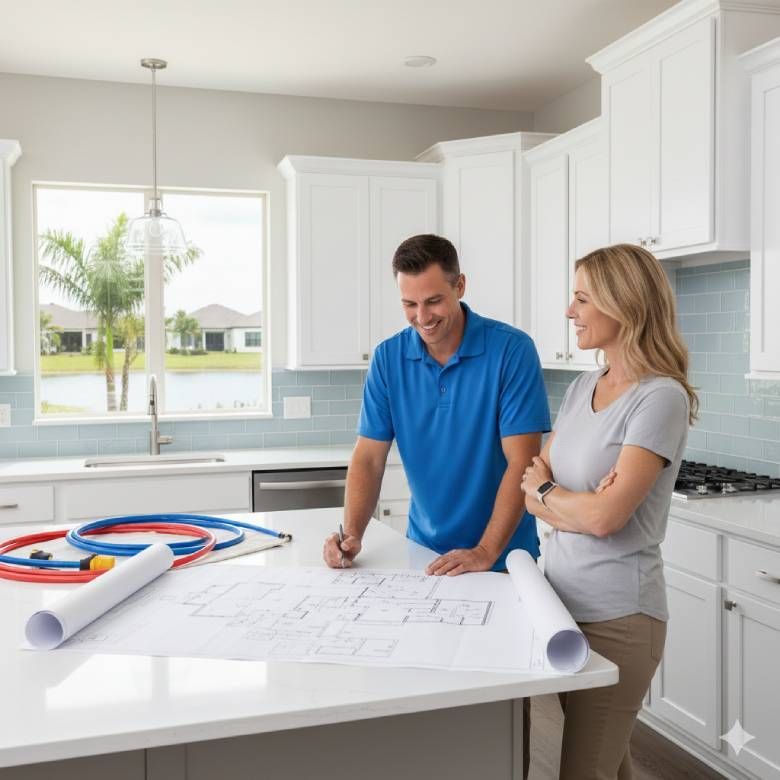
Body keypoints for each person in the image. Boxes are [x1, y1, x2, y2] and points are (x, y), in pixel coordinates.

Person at [520, 243, 698, 780]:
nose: (570, 312)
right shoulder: (581, 387)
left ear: (624, 304)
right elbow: (530, 487)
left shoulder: (658, 398)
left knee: (584, 771)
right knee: (608, 766)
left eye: (581, 298)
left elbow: (605, 519)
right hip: (564, 607)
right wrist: (565, 496)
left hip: (620, 619)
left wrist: (556, 494)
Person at [322, 233, 550, 576]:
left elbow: (521, 462)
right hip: (424, 555)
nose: (422, 316)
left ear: (459, 285)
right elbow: (368, 459)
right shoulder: (388, 358)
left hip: (504, 560)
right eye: (409, 304)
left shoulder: (512, 351)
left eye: (433, 301)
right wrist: (352, 534)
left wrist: (485, 551)